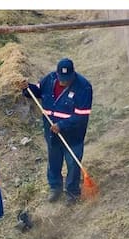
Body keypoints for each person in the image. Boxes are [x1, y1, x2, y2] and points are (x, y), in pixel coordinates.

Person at [26, 58, 92, 204]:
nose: (63, 82)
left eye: (67, 79)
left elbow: (81, 116)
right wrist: (27, 88)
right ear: (57, 74)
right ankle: (55, 187)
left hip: (73, 136)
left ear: (73, 74)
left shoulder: (84, 87)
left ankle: (72, 191)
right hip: (52, 134)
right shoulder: (49, 80)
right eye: (61, 79)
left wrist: (62, 125)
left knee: (73, 163)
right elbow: (37, 91)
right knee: (54, 161)